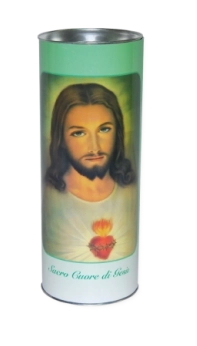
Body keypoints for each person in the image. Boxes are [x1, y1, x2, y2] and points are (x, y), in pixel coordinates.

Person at [42, 83, 139, 262]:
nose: (95, 147)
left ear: (118, 132)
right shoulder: (49, 197)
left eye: (104, 129)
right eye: (79, 133)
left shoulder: (131, 192)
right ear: (61, 139)